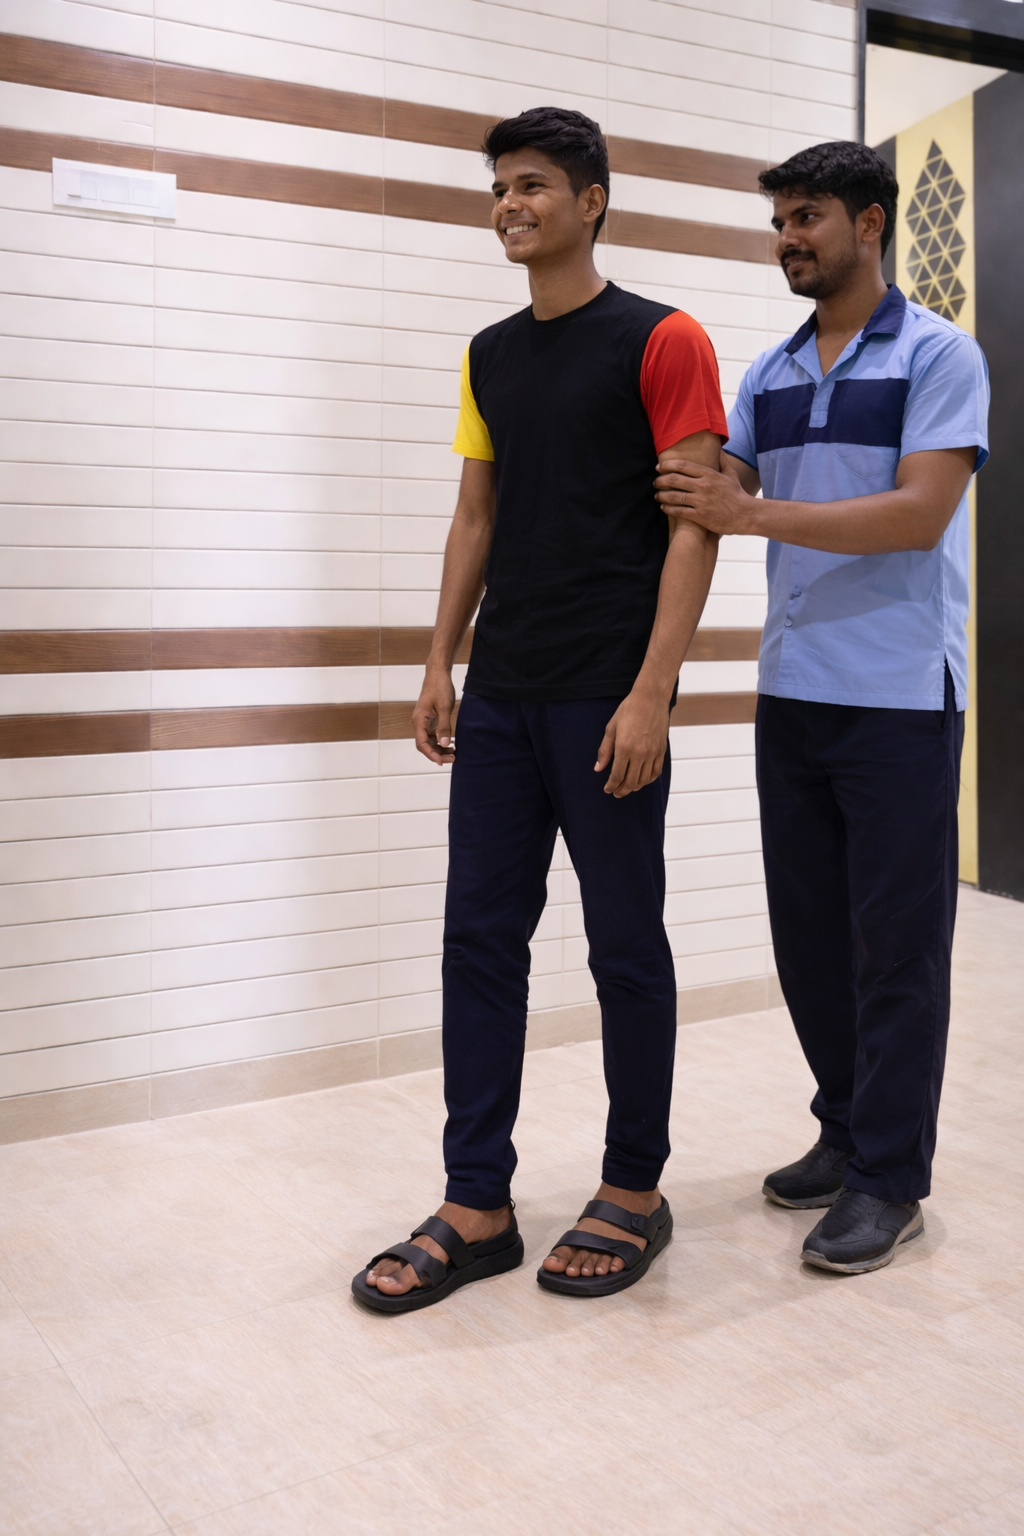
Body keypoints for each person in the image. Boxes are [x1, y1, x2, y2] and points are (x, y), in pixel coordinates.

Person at [352, 106, 727, 1312]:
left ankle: (632, 1188)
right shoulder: (488, 354)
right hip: (504, 697)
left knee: (623, 945)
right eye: (498, 189)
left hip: (607, 696)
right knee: (477, 942)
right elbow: (476, 514)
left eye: (530, 186)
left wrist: (652, 693)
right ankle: (477, 1202)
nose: (508, 206)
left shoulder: (665, 338)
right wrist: (438, 661)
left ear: (591, 200)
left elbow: (695, 524)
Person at [655, 140, 989, 1275]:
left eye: (806, 218)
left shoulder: (940, 355)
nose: (787, 239)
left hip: (898, 696)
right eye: (780, 223)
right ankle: (844, 1132)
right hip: (791, 692)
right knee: (809, 943)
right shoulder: (773, 370)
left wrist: (748, 513)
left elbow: (916, 514)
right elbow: (727, 483)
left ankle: (889, 1179)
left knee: (897, 950)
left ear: (869, 222)